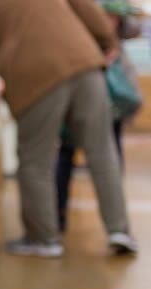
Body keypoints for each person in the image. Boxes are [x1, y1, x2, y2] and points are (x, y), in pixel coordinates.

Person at [0, 0, 137, 257]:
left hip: (35, 70)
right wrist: (108, 41)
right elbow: (83, 5)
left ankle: (43, 237)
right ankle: (120, 230)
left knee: (35, 159)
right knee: (103, 150)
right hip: (84, 61)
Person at [56, 0, 142, 234]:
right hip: (81, 98)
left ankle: (117, 225)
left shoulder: (112, 27)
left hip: (109, 102)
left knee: (108, 153)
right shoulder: (82, 23)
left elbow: (134, 27)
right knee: (67, 153)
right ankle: (59, 215)